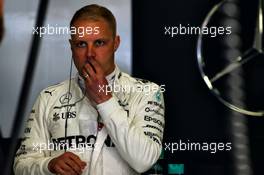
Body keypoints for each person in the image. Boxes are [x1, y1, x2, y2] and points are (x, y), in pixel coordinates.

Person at [14, 4, 165, 175]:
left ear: (116, 43)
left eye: (99, 43)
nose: (90, 54)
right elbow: (21, 165)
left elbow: (144, 161)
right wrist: (48, 165)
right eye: (81, 44)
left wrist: (105, 100)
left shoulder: (147, 92)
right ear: (71, 46)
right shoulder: (49, 97)